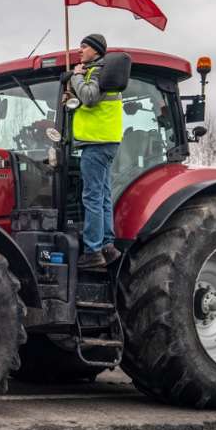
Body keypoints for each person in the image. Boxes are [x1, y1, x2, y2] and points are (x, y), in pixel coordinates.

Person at [70, 34, 124, 269]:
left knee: (91, 196)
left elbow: (90, 98)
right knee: (102, 195)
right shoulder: (101, 72)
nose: (79, 51)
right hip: (104, 142)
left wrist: (76, 77)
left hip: (97, 143)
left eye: (84, 47)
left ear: (95, 50)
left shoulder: (98, 71)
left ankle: (92, 250)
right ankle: (107, 246)